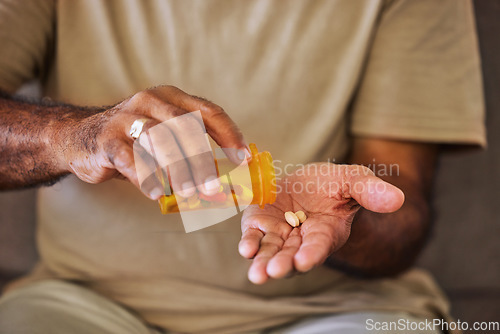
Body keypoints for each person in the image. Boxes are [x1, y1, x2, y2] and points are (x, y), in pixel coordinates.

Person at [0, 0, 485, 333]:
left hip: (337, 311)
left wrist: (346, 212)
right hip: (82, 301)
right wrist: (73, 136)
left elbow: (401, 214)